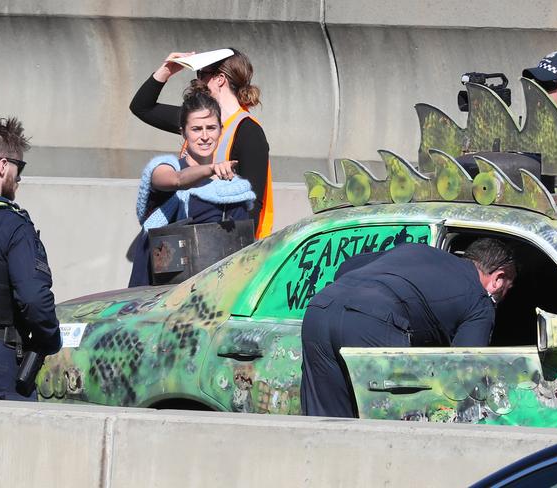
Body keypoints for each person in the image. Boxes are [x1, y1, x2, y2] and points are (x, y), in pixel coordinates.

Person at [300, 238, 517, 418]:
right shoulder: (479, 300)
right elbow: (464, 371)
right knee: (391, 427)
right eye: (508, 288)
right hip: (373, 320)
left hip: (320, 308)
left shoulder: (418, 251)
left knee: (326, 423)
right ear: (498, 279)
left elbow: (346, 267)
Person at [130, 48, 273, 239]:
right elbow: (142, 107)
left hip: (224, 244)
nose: (198, 81)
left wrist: (232, 253)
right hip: (187, 236)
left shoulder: (248, 132)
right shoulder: (196, 119)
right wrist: (166, 70)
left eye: (202, 74)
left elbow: (252, 202)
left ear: (220, 78)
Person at [129, 82, 256, 287]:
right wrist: (211, 169)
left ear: (220, 130)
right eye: (196, 129)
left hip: (204, 296)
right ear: (183, 133)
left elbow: (240, 254)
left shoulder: (231, 190)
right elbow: (176, 180)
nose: (205, 136)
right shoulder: (165, 168)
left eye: (211, 128)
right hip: (151, 292)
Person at [0, 113, 62, 400]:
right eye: (19, 166)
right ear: (3, 166)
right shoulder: (10, 223)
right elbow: (33, 298)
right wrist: (50, 340)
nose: (20, 176)